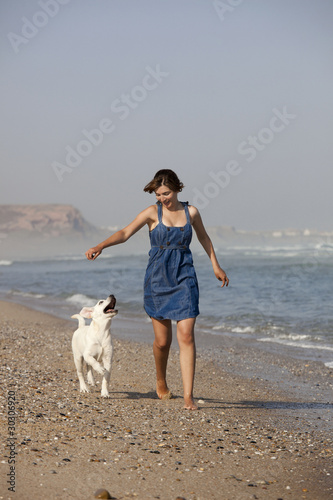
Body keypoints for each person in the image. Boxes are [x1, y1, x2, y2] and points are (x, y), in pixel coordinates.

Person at [85, 170, 229, 410]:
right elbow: (125, 233)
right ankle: (160, 381)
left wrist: (216, 265)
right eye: (158, 194)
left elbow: (204, 238)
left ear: (177, 189)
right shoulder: (153, 213)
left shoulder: (191, 212)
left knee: (186, 336)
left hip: (185, 277)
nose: (162, 198)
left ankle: (188, 397)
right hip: (157, 280)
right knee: (162, 342)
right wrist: (101, 245)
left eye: (167, 193)